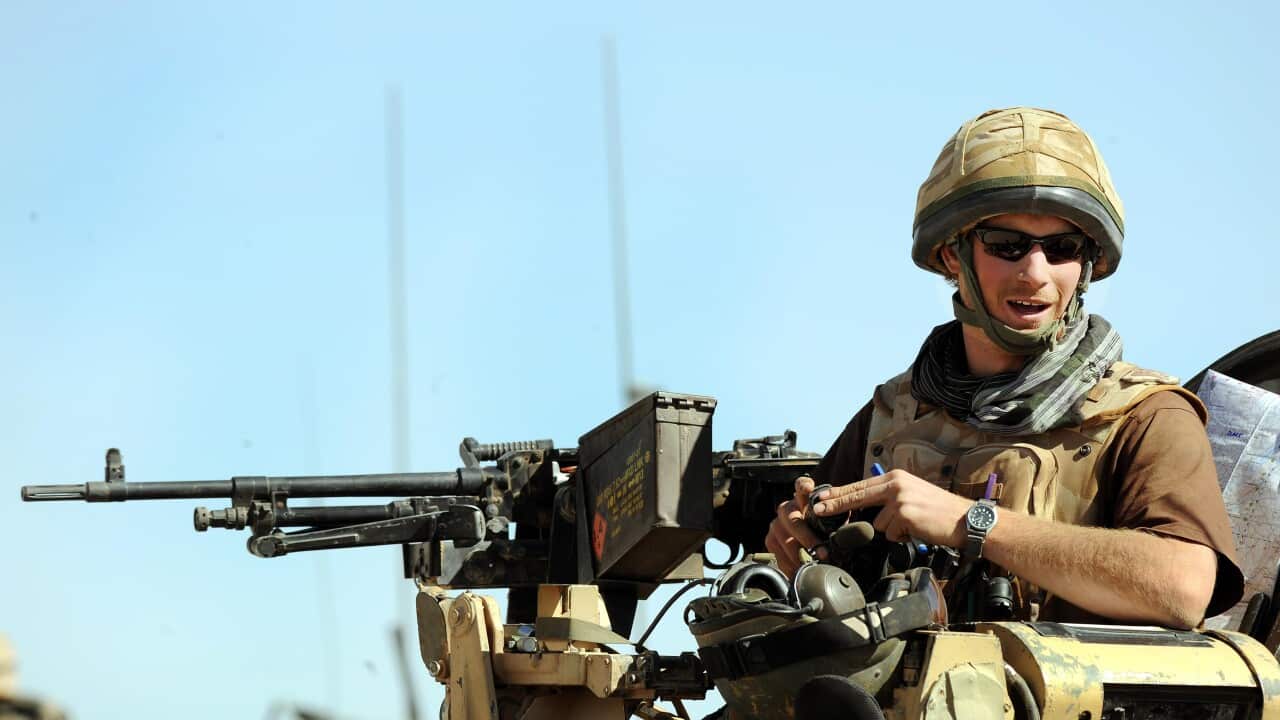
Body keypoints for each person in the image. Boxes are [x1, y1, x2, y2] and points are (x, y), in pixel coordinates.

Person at [766, 106, 1242, 630]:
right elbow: (801, 574)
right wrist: (795, 542)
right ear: (952, 255)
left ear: (1086, 265)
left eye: (1062, 248)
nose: (1035, 273)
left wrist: (972, 523)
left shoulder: (1144, 416)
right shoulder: (892, 414)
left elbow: (1184, 588)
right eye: (1006, 245)